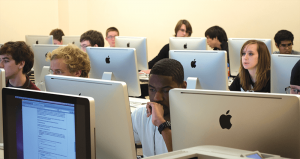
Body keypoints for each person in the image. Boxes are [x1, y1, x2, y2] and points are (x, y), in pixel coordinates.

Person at [131, 58, 187, 157]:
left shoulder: (192, 122)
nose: (157, 98)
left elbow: (183, 157)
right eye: (152, 89)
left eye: (166, 91)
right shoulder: (141, 114)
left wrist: (161, 124)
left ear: (183, 87)